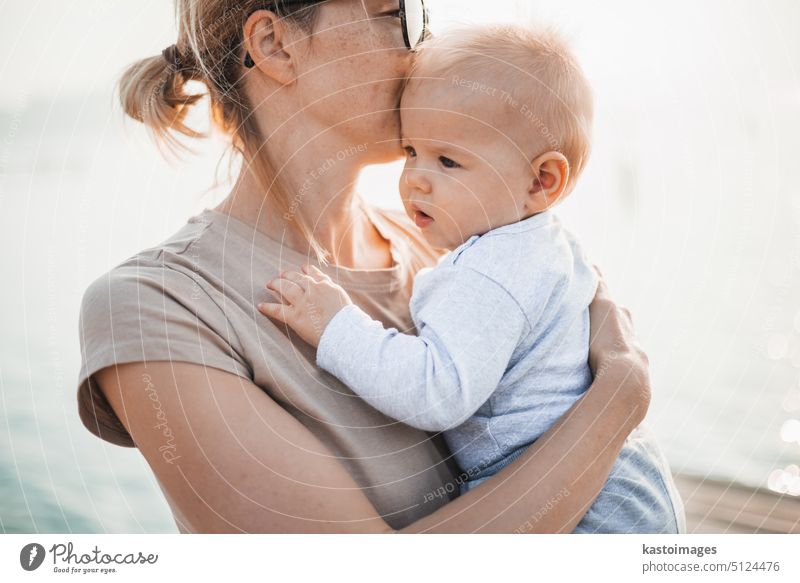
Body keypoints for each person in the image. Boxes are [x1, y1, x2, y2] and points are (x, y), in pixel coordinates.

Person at [78, 0, 654, 533]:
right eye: (399, 13)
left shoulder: (458, 242)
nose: (427, 43)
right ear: (276, 44)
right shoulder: (160, 304)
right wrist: (617, 401)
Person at [258, 25, 686, 533]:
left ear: (541, 181)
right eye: (412, 150)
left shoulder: (491, 273)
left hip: (593, 511)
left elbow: (438, 390)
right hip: (617, 485)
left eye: (448, 160)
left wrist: (336, 328)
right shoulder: (539, 246)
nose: (414, 177)